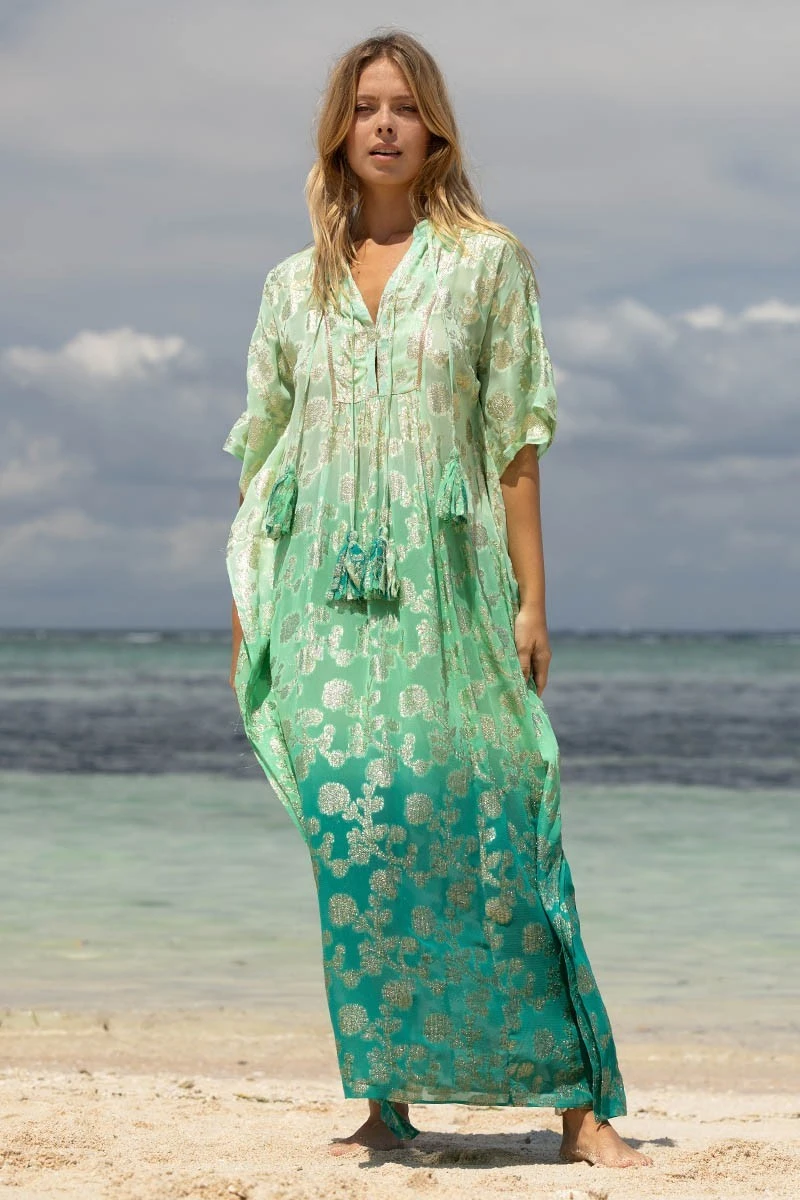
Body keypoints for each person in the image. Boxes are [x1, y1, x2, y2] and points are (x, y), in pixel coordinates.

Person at [223, 30, 653, 1169]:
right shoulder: (291, 286)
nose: (383, 125)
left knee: (498, 820)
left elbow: (516, 440)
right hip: (320, 603)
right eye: (365, 107)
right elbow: (265, 460)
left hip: (450, 591)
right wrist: (249, 603)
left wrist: (531, 600)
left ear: (434, 131)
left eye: (403, 107)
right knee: (356, 841)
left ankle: (578, 1106)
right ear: (338, 130)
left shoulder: (485, 264)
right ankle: (385, 1099)